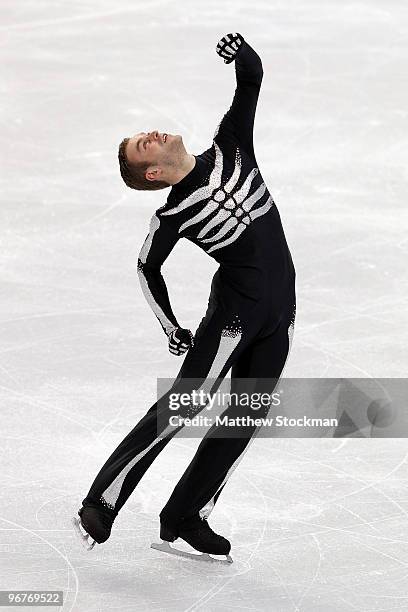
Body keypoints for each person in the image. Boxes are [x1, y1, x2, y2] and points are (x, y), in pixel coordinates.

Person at [73, 32, 296, 561]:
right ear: (152, 172)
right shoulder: (171, 214)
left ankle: (187, 515)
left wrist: (243, 54)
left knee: (243, 418)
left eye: (145, 134)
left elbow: (251, 81)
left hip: (280, 313)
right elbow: (147, 266)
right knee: (183, 405)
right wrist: (172, 326)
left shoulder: (231, 144)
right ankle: (102, 502)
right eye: (142, 144)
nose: (150, 135)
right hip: (236, 315)